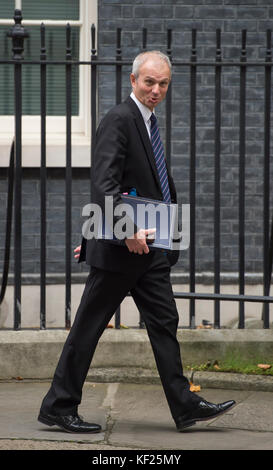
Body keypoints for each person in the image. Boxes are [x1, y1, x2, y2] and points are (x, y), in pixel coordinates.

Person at [38, 51, 235, 433]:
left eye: (163, 83)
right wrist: (122, 230)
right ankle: (59, 406)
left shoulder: (147, 122)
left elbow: (137, 185)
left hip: (150, 251)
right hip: (121, 250)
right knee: (89, 327)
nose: (156, 90)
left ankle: (185, 405)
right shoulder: (120, 119)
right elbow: (104, 184)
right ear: (133, 81)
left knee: (165, 322)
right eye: (149, 82)